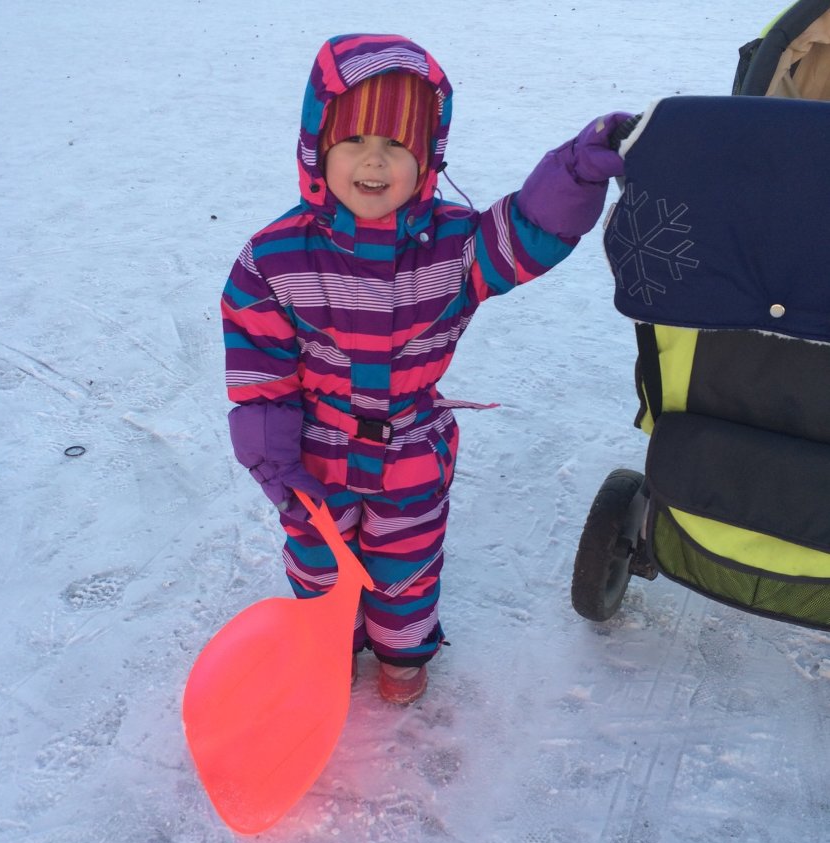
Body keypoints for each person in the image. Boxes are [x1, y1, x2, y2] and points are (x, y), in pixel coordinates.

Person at [222, 33, 628, 704]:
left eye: (398, 147)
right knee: (320, 562)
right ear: (318, 150)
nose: (375, 162)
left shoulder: (455, 245)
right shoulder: (274, 259)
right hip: (315, 453)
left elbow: (527, 232)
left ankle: (403, 654)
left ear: (429, 158)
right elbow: (260, 374)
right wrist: (274, 460)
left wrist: (574, 174)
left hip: (412, 450)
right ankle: (331, 644)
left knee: (406, 563)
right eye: (354, 142)